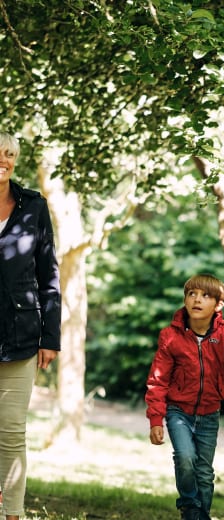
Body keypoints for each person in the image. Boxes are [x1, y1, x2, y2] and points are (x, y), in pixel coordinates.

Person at [145, 273, 224, 520]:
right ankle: (190, 507)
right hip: (178, 411)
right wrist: (155, 420)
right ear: (185, 299)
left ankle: (199, 515)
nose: (197, 299)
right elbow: (158, 380)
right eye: (191, 294)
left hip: (209, 414)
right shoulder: (170, 336)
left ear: (218, 305)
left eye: (205, 296)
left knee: (204, 473)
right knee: (185, 457)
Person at [0, 132, 61, 520]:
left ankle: (14, 513)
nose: (3, 160)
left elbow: (48, 273)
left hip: (20, 335)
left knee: (11, 430)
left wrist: (50, 337)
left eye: (9, 154)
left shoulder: (33, 207)